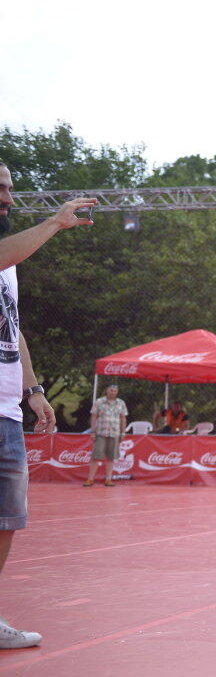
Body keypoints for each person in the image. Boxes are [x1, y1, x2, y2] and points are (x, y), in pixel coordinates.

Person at [0, 162, 92, 649]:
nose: (8, 198)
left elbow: (12, 327)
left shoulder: (10, 263)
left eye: (11, 189)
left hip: (7, 409)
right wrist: (55, 222)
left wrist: (33, 391)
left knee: (7, 520)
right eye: (0, 189)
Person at [85, 384, 127, 487]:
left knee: (111, 457)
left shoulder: (121, 403)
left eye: (115, 391)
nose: (113, 392)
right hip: (101, 432)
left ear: (117, 392)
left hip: (114, 433)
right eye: (111, 390)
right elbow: (94, 416)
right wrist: (93, 431)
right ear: (107, 391)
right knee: (96, 456)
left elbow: (123, 417)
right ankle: (90, 479)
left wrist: (123, 432)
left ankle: (108, 479)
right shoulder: (99, 402)